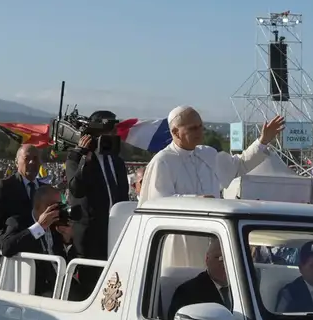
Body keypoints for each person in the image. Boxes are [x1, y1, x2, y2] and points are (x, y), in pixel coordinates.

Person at [138, 107, 285, 201]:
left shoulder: (208, 154)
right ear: (175, 132)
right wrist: (197, 200)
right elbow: (159, 202)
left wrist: (262, 141)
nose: (199, 131)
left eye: (201, 126)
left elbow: (240, 165)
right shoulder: (163, 161)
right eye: (193, 128)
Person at [65, 110, 130, 262]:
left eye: (114, 130)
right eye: (110, 130)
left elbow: (123, 196)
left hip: (115, 230)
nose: (114, 134)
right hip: (89, 238)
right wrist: (84, 158)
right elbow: (76, 189)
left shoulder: (117, 161)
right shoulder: (75, 158)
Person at [0, 185, 75, 297]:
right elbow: (6, 248)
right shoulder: (18, 222)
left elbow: (67, 259)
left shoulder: (56, 225)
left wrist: (68, 240)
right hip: (36, 287)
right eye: (55, 206)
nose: (58, 209)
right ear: (41, 206)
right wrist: (39, 227)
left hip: (60, 282)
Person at [0, 144, 43, 242]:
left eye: (35, 158)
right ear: (16, 162)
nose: (32, 162)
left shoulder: (46, 190)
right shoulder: (4, 187)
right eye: (27, 158)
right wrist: (11, 244)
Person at [169, 240, 232, 320]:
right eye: (220, 258)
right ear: (207, 259)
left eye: (230, 259)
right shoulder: (187, 293)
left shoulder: (243, 288)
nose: (225, 264)